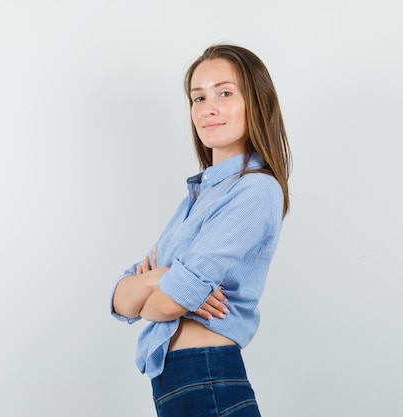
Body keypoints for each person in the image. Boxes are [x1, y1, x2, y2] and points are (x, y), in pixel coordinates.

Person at [110, 43, 291, 417]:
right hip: (180, 382)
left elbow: (166, 303)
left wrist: (167, 288)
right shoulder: (199, 196)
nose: (207, 108)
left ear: (255, 103)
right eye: (198, 97)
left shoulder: (255, 190)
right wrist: (163, 277)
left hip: (207, 375)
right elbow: (120, 300)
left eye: (225, 93)